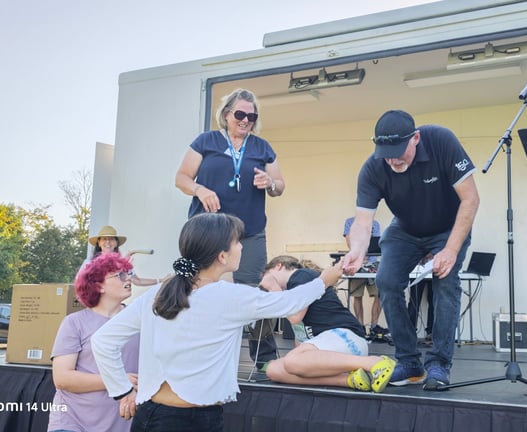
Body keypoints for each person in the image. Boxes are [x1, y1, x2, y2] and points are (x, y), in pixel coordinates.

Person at [92, 213, 342, 432]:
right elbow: (289, 302)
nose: (241, 246)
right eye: (237, 241)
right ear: (222, 256)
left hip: (151, 415)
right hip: (194, 420)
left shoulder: (159, 293)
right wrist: (326, 279)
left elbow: (103, 341)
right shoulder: (227, 297)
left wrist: (123, 391)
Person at [342, 110, 480, 390]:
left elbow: (470, 199)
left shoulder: (441, 141)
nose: (393, 160)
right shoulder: (373, 168)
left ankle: (439, 363)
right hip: (404, 228)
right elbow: (363, 221)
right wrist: (356, 250)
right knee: (386, 281)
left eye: (398, 152)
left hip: (448, 227)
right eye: (386, 154)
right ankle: (409, 362)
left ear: (415, 138)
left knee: (446, 282)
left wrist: (450, 250)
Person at [175, 87, 284, 370]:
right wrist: (199, 189)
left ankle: (264, 359)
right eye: (239, 114)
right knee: (191, 283)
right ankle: (185, 346)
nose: (245, 120)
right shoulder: (206, 141)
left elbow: (280, 186)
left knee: (256, 291)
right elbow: (181, 178)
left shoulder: (262, 147)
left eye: (251, 116)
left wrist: (270, 184)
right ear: (226, 115)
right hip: (207, 229)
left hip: (250, 232)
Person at [261, 256, 395, 393]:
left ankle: (373, 362)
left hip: (346, 337)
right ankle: (350, 380)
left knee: (292, 361)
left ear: (278, 266)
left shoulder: (299, 276)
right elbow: (300, 336)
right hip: (334, 349)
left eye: (265, 280)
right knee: (274, 369)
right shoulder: (292, 292)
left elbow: (295, 317)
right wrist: (303, 363)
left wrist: (274, 291)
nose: (265, 290)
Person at [48, 253, 140, 432]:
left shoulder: (140, 321)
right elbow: (62, 378)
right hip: (71, 423)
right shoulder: (74, 322)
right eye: (120, 275)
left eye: (128, 273)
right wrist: (118, 380)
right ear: (99, 285)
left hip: (121, 424)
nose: (128, 278)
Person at [342, 217, 387, 339]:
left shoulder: (375, 224)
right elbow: (349, 242)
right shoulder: (349, 222)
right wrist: (360, 255)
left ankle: (374, 326)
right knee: (357, 295)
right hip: (356, 263)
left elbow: (376, 243)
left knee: (379, 295)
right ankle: (360, 326)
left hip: (372, 263)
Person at [85, 225, 166, 287]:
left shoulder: (123, 263)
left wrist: (160, 280)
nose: (108, 242)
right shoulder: (89, 263)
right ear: (99, 243)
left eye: (111, 239)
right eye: (104, 239)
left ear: (116, 243)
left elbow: (137, 281)